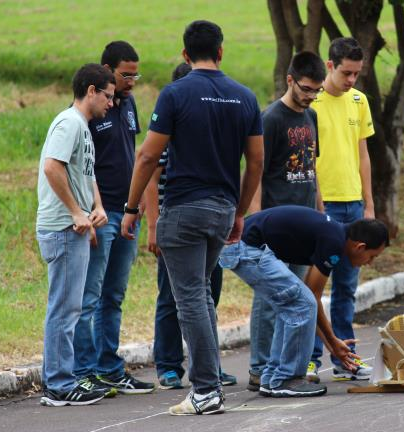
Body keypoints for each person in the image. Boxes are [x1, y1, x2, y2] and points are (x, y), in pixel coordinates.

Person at [121, 20, 263, 416]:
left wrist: (132, 209)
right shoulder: (245, 97)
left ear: (185, 54)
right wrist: (239, 211)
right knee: (200, 295)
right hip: (221, 210)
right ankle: (209, 382)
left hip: (183, 209)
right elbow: (256, 162)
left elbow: (148, 156)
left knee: (190, 301)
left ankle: (205, 389)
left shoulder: (175, 93)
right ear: (221, 52)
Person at [219, 206, 389, 397]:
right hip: (245, 247)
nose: (370, 263)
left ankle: (273, 377)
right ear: (360, 247)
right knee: (301, 304)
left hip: (242, 245)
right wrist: (332, 342)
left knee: (294, 304)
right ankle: (287, 379)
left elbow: (309, 301)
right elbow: (311, 299)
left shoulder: (335, 235)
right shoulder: (334, 242)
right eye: (372, 256)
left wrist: (332, 344)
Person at [145, 62, 237, 390]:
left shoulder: (209, 129)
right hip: (176, 218)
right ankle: (169, 363)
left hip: (212, 219)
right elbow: (150, 176)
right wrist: (153, 225)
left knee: (208, 293)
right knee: (172, 295)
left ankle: (207, 366)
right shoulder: (168, 128)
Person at [72, 41, 154, 395]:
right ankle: (83, 370)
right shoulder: (85, 116)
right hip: (100, 215)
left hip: (127, 212)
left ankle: (109, 367)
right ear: (106, 69)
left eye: (137, 74)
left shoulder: (130, 104)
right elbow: (80, 168)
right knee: (89, 297)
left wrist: (138, 206)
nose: (132, 81)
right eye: (126, 74)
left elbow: (134, 155)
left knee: (114, 295)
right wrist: (92, 212)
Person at [245, 51, 325, 392]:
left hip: (306, 225)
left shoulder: (312, 117)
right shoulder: (271, 119)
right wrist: (258, 223)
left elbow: (312, 170)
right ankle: (259, 367)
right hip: (275, 226)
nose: (310, 96)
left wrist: (321, 215)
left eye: (316, 91)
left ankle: (283, 366)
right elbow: (257, 172)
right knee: (270, 299)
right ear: (290, 80)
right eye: (306, 89)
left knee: (297, 298)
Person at [35, 63, 113, 406]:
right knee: (64, 309)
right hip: (62, 228)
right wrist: (75, 212)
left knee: (70, 308)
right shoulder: (69, 123)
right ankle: (59, 384)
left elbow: (84, 172)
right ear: (92, 91)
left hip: (76, 226)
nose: (111, 103)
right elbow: (53, 166)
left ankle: (63, 379)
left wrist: (95, 205)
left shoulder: (82, 126)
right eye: (107, 96)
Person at [309, 37, 375, 382]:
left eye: (356, 74)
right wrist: (317, 201)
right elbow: (309, 157)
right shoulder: (312, 102)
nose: (351, 80)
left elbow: (363, 154)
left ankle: (345, 356)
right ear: (330, 65)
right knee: (314, 285)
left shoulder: (359, 101)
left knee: (348, 286)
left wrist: (369, 204)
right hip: (326, 202)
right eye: (346, 73)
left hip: (353, 203)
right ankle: (310, 355)